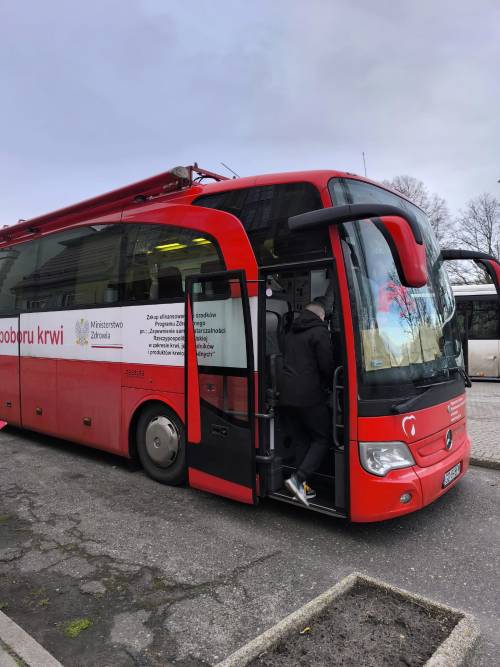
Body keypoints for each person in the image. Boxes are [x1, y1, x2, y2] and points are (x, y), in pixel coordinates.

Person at [280, 302, 334, 506]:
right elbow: (327, 366)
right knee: (322, 438)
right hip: (309, 396)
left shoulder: (291, 331)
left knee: (303, 437)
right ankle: (298, 479)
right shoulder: (319, 332)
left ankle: (302, 485)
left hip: (286, 395)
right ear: (321, 317)